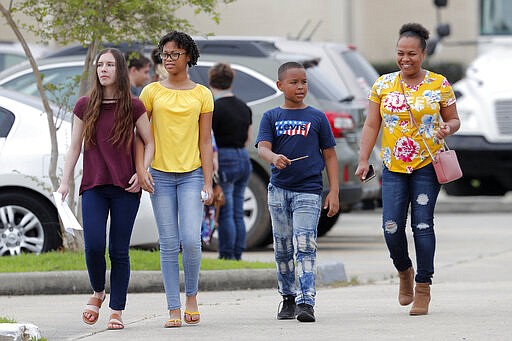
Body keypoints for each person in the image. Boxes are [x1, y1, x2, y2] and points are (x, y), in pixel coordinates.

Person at [355, 23, 460, 316]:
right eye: (400, 53)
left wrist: (446, 128)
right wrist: (364, 160)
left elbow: (454, 119)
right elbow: (371, 124)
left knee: (423, 225)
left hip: (428, 165)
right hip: (393, 166)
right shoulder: (383, 84)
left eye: (411, 53)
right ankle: (404, 271)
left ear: (423, 53)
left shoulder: (439, 84)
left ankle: (423, 286)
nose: (405, 59)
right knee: (391, 227)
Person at [56, 48, 154, 330]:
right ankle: (98, 291)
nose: (103, 69)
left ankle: (117, 310)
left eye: (110, 65)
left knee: (119, 250)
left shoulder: (134, 106)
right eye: (100, 65)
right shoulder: (84, 105)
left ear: (120, 70)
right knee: (95, 245)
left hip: (126, 187)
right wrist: (65, 182)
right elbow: (74, 146)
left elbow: (150, 142)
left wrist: (142, 170)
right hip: (94, 186)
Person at [137, 31, 214, 328]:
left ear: (188, 57)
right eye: (164, 54)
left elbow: (206, 141)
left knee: (192, 240)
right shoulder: (151, 92)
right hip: (160, 175)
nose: (167, 59)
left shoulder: (202, 94)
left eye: (174, 54)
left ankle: (191, 297)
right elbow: (140, 138)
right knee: (168, 243)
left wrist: (208, 182)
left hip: (192, 174)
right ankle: (172, 307)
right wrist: (142, 169)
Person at [256, 61, 340, 323]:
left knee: (305, 245)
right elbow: (262, 147)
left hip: (309, 192)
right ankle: (288, 298)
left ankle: (306, 301)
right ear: (280, 86)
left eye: (304, 81)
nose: (300, 86)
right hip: (279, 192)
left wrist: (334, 190)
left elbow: (330, 155)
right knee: (282, 248)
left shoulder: (316, 117)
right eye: (294, 82)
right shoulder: (271, 117)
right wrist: (273, 157)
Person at [208, 63, 252, 260]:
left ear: (211, 82)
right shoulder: (244, 106)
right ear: (231, 81)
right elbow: (248, 138)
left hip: (225, 157)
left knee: (225, 209)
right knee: (237, 210)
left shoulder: (215, 108)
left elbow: (209, 140)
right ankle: (238, 252)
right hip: (243, 156)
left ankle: (226, 254)